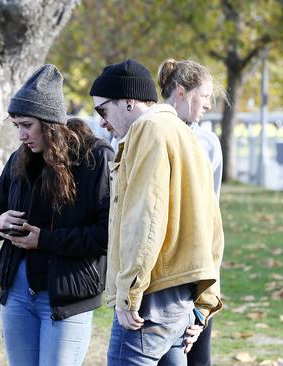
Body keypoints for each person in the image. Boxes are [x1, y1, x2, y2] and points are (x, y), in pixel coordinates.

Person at [89, 59, 224, 366]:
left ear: (127, 102)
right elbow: (211, 227)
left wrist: (129, 292)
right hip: (181, 302)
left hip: (150, 297)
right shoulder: (187, 135)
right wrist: (204, 304)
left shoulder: (148, 130)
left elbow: (145, 219)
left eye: (102, 110)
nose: (102, 122)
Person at [0, 64, 114, 366]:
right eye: (16, 125)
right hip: (16, 292)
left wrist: (45, 240)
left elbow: (105, 234)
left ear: (50, 121)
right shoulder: (19, 159)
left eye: (26, 124)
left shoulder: (94, 159)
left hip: (66, 297)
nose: (21, 135)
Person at [157, 59, 224, 366]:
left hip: (195, 269)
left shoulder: (208, 143)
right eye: (205, 95)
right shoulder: (148, 132)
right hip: (159, 273)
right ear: (182, 92)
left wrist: (206, 294)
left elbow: (212, 214)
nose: (209, 104)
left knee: (196, 355)